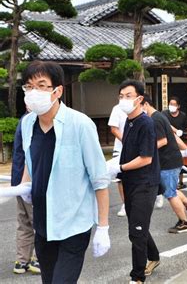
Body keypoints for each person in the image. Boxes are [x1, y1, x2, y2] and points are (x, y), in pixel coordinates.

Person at [19, 60, 110, 283]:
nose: (34, 92)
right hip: (42, 224)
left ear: (57, 91)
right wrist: (24, 186)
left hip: (74, 225)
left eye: (41, 85)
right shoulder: (27, 123)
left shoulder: (80, 124)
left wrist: (103, 227)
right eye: (29, 87)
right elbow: (30, 161)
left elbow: (99, 179)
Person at [108, 80, 161, 283]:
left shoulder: (146, 123)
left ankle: (137, 277)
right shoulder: (128, 122)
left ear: (139, 99)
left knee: (136, 232)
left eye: (128, 96)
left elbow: (146, 158)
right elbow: (128, 152)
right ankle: (154, 257)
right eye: (121, 96)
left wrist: (120, 168)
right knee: (137, 225)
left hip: (145, 183)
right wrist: (116, 167)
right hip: (130, 181)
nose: (123, 99)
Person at [142, 94, 187, 238]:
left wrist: (145, 150)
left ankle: (184, 223)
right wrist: (185, 149)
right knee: (170, 189)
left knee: (170, 194)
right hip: (170, 160)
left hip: (168, 161)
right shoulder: (160, 116)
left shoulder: (156, 119)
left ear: (145, 104)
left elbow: (162, 141)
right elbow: (173, 135)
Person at [11, 117, 41, 275]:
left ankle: (21, 261)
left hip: (17, 180)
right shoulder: (33, 122)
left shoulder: (23, 121)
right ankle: (38, 259)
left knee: (23, 222)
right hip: (30, 181)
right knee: (38, 221)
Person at [162, 96, 187, 189]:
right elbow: (167, 125)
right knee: (171, 161)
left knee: (181, 162)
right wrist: (176, 131)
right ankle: (170, 182)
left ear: (178, 106)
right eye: (170, 104)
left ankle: (180, 182)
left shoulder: (182, 115)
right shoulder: (164, 114)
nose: (171, 106)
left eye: (174, 104)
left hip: (180, 141)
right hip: (168, 140)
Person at [108, 103, 129, 216]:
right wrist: (126, 141)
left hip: (137, 149)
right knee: (120, 178)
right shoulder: (117, 109)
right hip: (120, 149)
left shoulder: (141, 108)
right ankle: (125, 204)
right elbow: (114, 129)